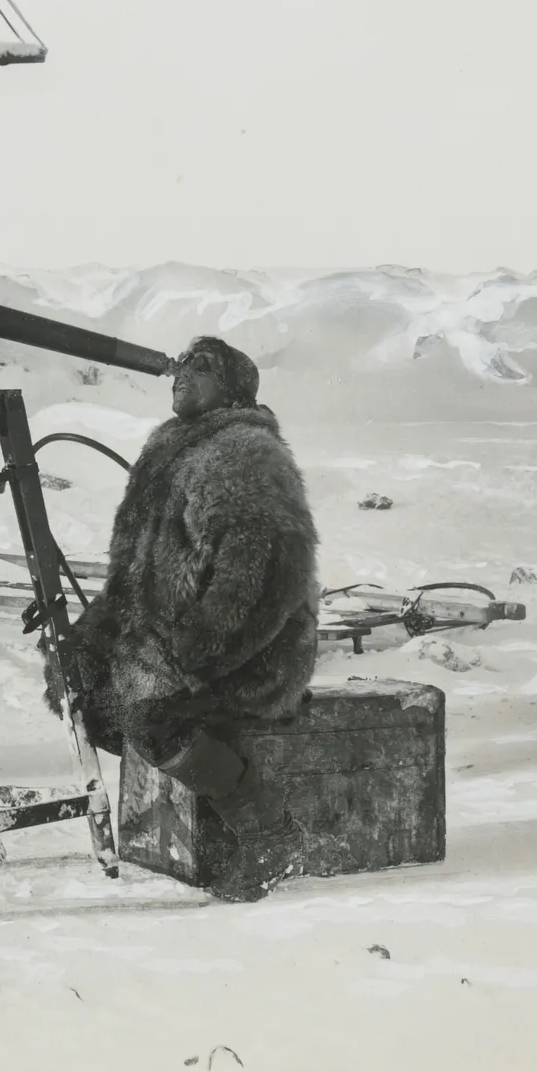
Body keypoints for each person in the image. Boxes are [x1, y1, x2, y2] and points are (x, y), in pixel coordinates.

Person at [47, 335, 322, 901]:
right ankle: (209, 813)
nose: (181, 375)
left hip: (248, 651)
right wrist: (90, 640)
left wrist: (194, 654)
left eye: (201, 368)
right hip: (176, 642)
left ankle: (272, 831)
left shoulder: (245, 451)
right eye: (181, 366)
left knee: (153, 716)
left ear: (233, 389)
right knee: (93, 701)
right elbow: (133, 573)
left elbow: (264, 577)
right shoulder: (170, 447)